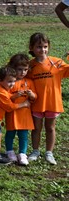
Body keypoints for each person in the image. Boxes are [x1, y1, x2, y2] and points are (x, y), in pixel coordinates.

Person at [26, 33, 69, 165]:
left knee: (50, 128)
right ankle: (35, 151)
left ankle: (49, 153)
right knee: (36, 128)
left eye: (45, 46)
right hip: (37, 103)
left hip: (53, 102)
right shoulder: (29, 65)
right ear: (31, 48)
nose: (42, 50)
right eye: (39, 47)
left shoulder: (57, 63)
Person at [5, 53, 36, 166]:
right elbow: (5, 97)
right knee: (10, 133)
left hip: (24, 114)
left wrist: (32, 95)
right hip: (12, 113)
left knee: (23, 135)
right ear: (13, 69)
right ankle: (9, 151)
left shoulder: (29, 82)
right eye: (19, 69)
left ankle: (22, 153)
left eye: (25, 69)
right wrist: (15, 96)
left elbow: (34, 98)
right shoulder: (9, 82)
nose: (22, 72)